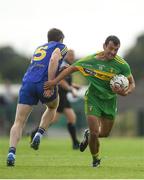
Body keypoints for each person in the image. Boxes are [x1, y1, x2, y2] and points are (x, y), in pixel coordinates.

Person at [44, 35, 135, 167]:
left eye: (116, 50)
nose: (113, 52)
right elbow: (71, 69)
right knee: (95, 132)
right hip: (93, 98)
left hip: (110, 101)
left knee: (104, 133)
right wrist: (54, 82)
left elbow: (132, 83)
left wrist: (126, 92)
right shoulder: (91, 61)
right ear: (104, 46)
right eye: (111, 48)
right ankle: (95, 159)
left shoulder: (122, 65)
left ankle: (87, 135)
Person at [6, 28, 68, 166]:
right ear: (61, 38)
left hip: (27, 82)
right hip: (44, 82)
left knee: (19, 122)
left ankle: (11, 153)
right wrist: (51, 83)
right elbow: (53, 59)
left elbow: (35, 64)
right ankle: (39, 133)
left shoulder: (39, 48)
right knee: (53, 106)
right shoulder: (61, 46)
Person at [30, 50, 80, 149]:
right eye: (70, 55)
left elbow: (66, 81)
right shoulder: (63, 65)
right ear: (66, 56)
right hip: (60, 95)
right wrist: (71, 89)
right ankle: (35, 133)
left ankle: (75, 143)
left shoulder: (69, 65)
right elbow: (60, 81)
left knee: (72, 118)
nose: (72, 57)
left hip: (64, 96)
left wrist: (73, 86)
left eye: (73, 55)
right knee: (53, 119)